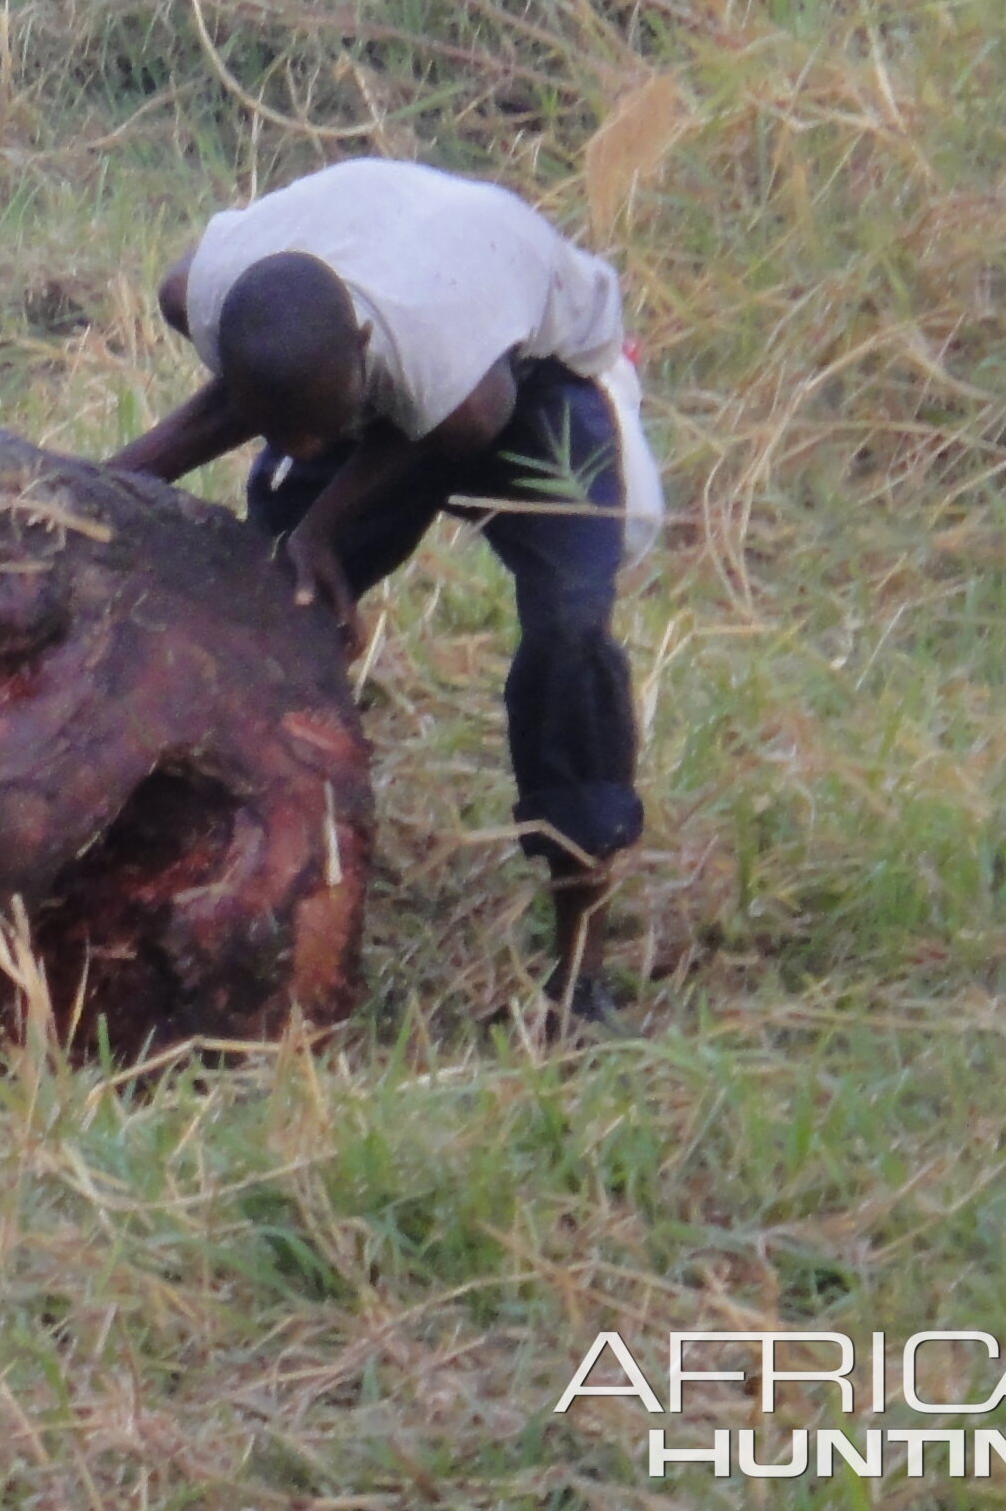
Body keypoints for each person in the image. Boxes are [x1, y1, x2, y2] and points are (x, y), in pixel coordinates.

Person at [106, 156, 664, 1023]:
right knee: (265, 613)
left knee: (569, 633)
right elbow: (227, 413)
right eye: (277, 426)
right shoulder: (201, 295)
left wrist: (322, 530)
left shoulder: (455, 376)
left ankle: (579, 969)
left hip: (532, 382)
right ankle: (234, 884)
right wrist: (85, 489)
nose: (294, 442)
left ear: (359, 354)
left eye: (311, 429)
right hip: (361, 369)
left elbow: (453, 425)